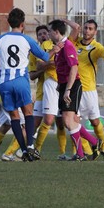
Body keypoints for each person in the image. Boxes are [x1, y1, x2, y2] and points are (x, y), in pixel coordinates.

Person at [0, 8, 61, 162]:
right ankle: (30, 146)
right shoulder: (27, 40)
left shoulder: (0, 39)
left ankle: (23, 149)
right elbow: (45, 56)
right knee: (28, 114)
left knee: (14, 117)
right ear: (23, 24)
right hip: (21, 81)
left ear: (8, 23)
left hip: (5, 83)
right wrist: (54, 50)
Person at [48, 19, 102, 161]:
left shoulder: (67, 46)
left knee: (68, 121)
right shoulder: (60, 46)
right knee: (70, 121)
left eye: (49, 31)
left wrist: (68, 89)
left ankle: (80, 154)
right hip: (64, 86)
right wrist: (61, 86)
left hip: (72, 86)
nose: (48, 34)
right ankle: (95, 143)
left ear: (56, 32)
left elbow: (74, 67)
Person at [64, 18, 104, 160]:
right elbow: (73, 31)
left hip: (89, 91)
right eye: (86, 28)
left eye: (90, 29)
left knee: (95, 122)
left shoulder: (96, 47)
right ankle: (85, 151)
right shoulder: (74, 42)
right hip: (75, 88)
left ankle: (103, 147)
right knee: (73, 122)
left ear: (95, 32)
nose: (87, 31)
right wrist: (66, 21)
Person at [29, 25, 69, 160]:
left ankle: (63, 153)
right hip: (42, 92)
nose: (43, 36)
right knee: (37, 123)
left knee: (61, 123)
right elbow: (32, 75)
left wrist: (49, 64)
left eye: (45, 33)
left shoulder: (58, 46)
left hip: (58, 86)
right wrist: (47, 67)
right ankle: (25, 149)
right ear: (37, 37)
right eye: (39, 34)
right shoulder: (35, 52)